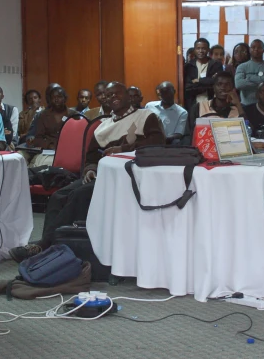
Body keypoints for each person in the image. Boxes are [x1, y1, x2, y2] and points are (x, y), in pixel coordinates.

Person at [9, 82, 165, 262]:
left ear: (128, 96)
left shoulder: (146, 117)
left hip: (132, 177)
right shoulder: (103, 126)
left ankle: (45, 247)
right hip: (103, 176)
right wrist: (90, 169)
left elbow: (157, 144)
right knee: (59, 196)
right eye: (108, 95)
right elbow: (91, 157)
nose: (112, 98)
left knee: (79, 196)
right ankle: (47, 245)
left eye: (117, 94)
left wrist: (122, 148)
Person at [186, 71, 245, 136]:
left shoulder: (240, 108)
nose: (223, 87)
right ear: (214, 88)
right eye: (219, 84)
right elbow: (188, 135)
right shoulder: (198, 107)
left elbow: (248, 132)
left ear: (233, 89)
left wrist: (238, 104)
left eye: (227, 84)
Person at [235, 39, 264, 105]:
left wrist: (249, 78)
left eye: (259, 48)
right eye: (253, 47)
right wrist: (263, 81)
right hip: (246, 105)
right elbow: (239, 84)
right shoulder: (242, 66)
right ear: (249, 49)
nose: (256, 49)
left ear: (263, 51)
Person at [184, 38, 222, 111]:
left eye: (203, 48)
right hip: (193, 105)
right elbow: (188, 88)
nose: (201, 51)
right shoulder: (188, 66)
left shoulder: (216, 65)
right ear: (194, 50)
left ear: (208, 50)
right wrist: (208, 83)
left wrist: (198, 81)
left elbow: (217, 83)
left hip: (212, 103)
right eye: (198, 48)